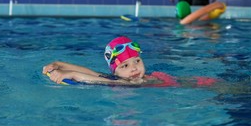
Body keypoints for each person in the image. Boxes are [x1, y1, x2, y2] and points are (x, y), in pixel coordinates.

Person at [42, 36, 217, 87]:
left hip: (197, 84)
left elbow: (97, 80)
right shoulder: (119, 79)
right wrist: (60, 64)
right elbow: (93, 73)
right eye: (125, 65)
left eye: (137, 61)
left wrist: (72, 74)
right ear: (115, 71)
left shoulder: (135, 82)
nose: (134, 68)